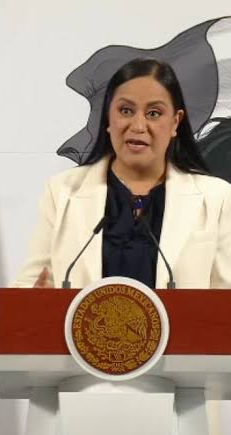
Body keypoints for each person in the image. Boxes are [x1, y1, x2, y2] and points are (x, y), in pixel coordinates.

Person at [12, 58, 231, 290]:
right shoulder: (62, 192)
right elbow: (30, 284)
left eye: (154, 113)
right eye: (126, 111)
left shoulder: (217, 198)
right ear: (108, 117)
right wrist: (32, 298)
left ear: (175, 122)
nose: (138, 126)